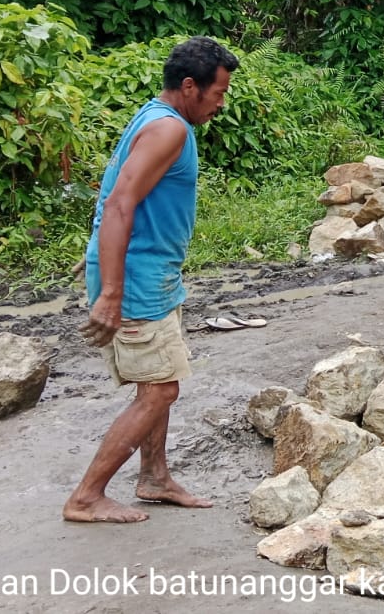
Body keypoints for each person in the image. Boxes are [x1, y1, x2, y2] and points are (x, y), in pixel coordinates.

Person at [64, 36, 238, 524]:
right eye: (218, 93)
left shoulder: (155, 118)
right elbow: (121, 202)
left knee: (158, 380)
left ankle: (155, 477)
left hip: (150, 273)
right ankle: (86, 496)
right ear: (190, 86)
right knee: (160, 391)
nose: (221, 104)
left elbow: (116, 191)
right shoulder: (170, 131)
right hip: (139, 280)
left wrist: (98, 254)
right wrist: (112, 290)